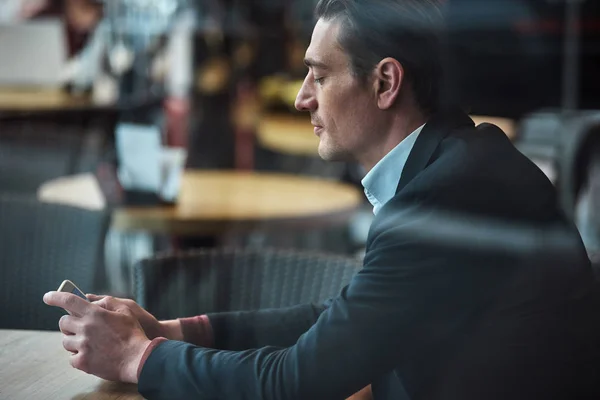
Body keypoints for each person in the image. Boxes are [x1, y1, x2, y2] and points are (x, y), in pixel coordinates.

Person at [43, 0, 600, 399]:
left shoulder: (443, 195)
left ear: (385, 83)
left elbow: (300, 381)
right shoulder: (455, 163)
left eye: (318, 75)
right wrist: (174, 332)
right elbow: (343, 321)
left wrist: (138, 358)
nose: (300, 98)